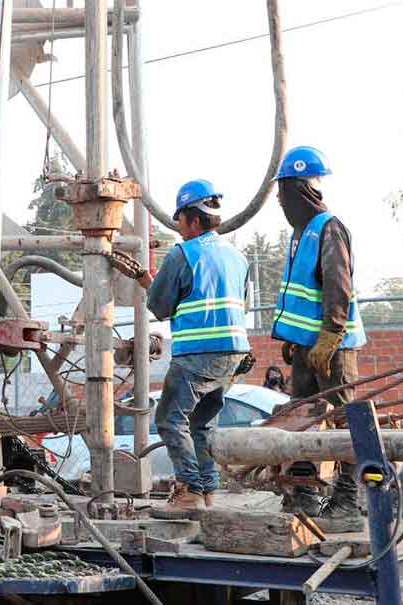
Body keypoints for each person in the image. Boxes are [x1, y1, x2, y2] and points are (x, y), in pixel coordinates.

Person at [140, 179, 251, 519]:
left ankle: (188, 492)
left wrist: (149, 281)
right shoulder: (237, 257)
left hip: (197, 354)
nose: (178, 227)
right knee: (200, 424)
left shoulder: (182, 254)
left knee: (170, 419)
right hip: (232, 355)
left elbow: (159, 306)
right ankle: (208, 491)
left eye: (180, 220)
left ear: (192, 218)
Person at [270, 146, 367, 532]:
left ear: (300, 189)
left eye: (283, 193)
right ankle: (305, 493)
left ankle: (348, 501)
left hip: (334, 348)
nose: (279, 201)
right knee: (304, 420)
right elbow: (302, 292)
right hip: (309, 348)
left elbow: (337, 286)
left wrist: (330, 334)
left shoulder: (329, 227)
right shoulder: (300, 234)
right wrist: (295, 337)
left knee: (344, 421)